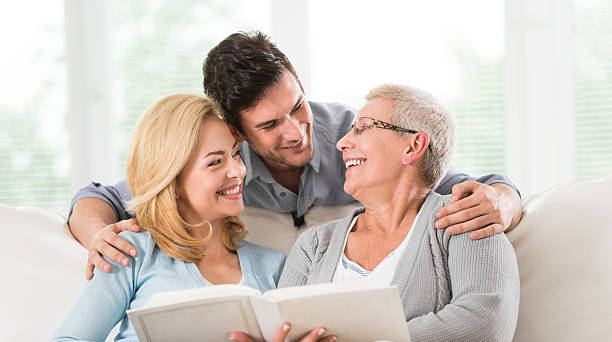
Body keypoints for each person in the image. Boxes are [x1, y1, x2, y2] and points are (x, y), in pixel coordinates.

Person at [67, 31, 523, 278]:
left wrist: (502, 200)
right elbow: (98, 197)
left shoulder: (355, 135)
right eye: (269, 125)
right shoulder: (219, 168)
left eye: (297, 106)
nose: (296, 132)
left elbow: (450, 177)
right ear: (235, 130)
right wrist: (96, 237)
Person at [229, 84, 544, 342]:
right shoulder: (314, 245)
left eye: (362, 128)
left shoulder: (465, 217)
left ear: (413, 146)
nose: (341, 142)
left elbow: (484, 331)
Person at [36, 95, 291, 342]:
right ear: (173, 181)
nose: (238, 171)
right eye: (216, 161)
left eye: (236, 155)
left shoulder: (273, 268)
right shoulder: (134, 251)